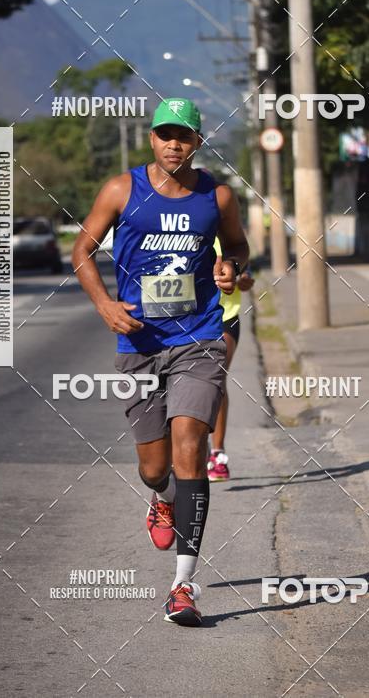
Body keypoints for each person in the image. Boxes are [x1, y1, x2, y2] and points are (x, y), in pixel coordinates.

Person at [72, 97, 249, 627]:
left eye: (185, 135)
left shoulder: (216, 195)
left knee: (190, 446)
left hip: (199, 339)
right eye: (165, 134)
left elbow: (238, 247)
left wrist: (230, 267)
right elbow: (82, 250)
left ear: (198, 142)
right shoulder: (121, 190)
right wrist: (104, 304)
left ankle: (183, 586)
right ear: (151, 138)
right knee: (155, 469)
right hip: (141, 345)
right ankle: (163, 498)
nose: (174, 143)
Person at [207, 236, 254, 482]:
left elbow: (246, 275)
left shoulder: (227, 233)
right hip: (188, 318)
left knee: (216, 377)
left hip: (226, 315)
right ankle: (194, 440)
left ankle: (217, 452)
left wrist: (242, 279)